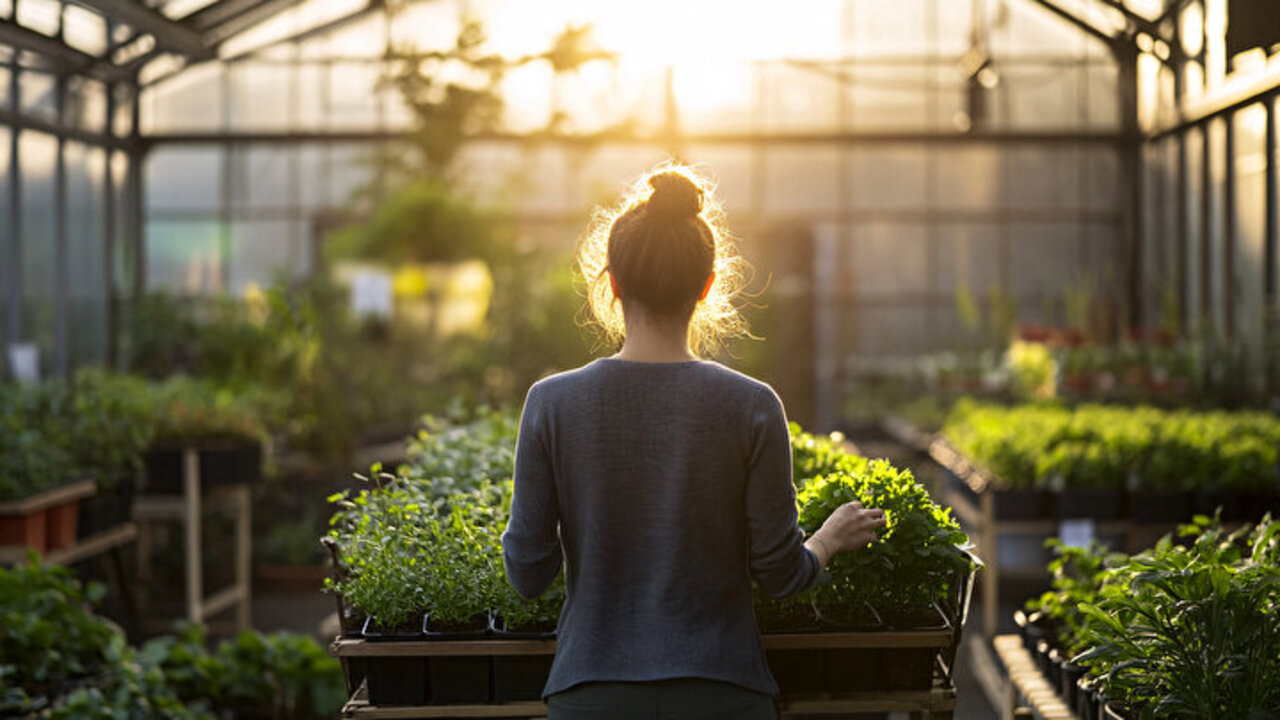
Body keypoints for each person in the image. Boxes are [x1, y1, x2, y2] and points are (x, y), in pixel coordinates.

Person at [501, 164, 886, 720]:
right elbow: (781, 575)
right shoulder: (753, 405)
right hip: (724, 690)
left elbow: (527, 574)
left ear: (610, 283)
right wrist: (827, 539)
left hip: (591, 693)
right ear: (707, 286)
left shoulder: (552, 403)